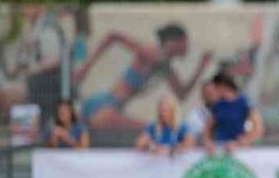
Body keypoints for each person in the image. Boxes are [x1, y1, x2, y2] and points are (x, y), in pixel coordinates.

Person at [75, 24, 212, 129]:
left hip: (110, 107)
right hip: (105, 106)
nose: (187, 48)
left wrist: (200, 69)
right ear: (176, 42)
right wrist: (85, 68)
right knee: (154, 129)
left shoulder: (165, 66)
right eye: (185, 43)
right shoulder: (152, 53)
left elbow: (182, 94)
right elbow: (113, 37)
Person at [203, 72, 264, 154]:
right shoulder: (218, 105)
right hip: (219, 148)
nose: (213, 92)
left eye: (215, 88)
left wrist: (242, 142)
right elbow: (207, 129)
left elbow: (258, 128)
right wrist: (208, 142)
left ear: (223, 86)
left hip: (238, 150)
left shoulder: (244, 102)